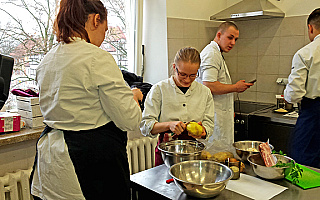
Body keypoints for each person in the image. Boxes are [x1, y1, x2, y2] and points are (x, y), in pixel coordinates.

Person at [30, 0, 143, 199]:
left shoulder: (47, 60)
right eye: (105, 30)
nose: (102, 38)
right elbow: (130, 120)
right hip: (86, 167)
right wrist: (133, 96)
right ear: (95, 20)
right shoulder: (97, 58)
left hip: (50, 162)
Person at [140, 47, 214, 166]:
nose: (187, 80)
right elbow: (145, 126)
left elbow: (209, 125)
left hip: (193, 153)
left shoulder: (205, 92)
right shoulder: (159, 89)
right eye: (183, 74)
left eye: (193, 75)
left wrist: (202, 132)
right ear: (174, 67)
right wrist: (169, 125)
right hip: (166, 153)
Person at [196, 22, 253, 149]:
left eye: (236, 39)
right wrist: (235, 87)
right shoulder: (211, 54)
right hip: (214, 119)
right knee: (215, 157)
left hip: (219, 116)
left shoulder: (216, 53)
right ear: (219, 34)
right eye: (230, 37)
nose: (233, 43)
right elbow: (209, 85)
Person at [284, 8, 320, 168]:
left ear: (310, 28)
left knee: (302, 166)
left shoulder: (305, 53)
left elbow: (294, 94)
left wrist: (287, 94)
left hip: (313, 116)